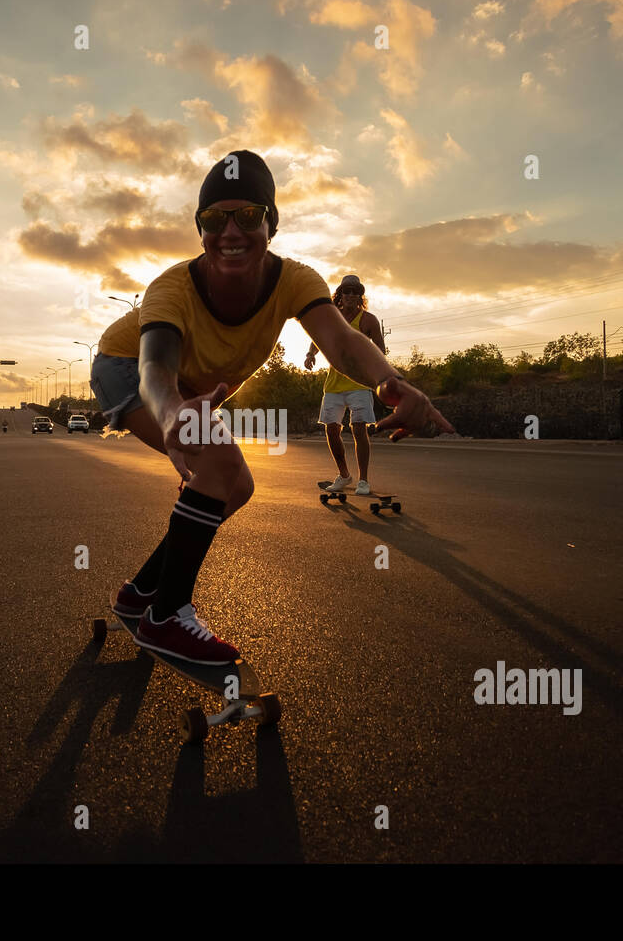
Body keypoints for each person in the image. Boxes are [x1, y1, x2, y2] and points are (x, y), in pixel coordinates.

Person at [89, 150, 454, 665]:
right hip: (125, 367)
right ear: (200, 230)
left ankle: (141, 595)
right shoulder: (170, 288)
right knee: (220, 467)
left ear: (272, 223)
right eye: (214, 219)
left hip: (190, 389)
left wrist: (391, 384)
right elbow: (155, 370)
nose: (230, 232)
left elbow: (344, 344)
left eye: (249, 216)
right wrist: (172, 413)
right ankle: (166, 615)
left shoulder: (294, 280)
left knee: (236, 487)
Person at [305, 274, 383, 495]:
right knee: (331, 429)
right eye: (346, 291)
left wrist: (379, 376)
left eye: (355, 292)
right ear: (340, 295)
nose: (350, 295)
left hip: (360, 384)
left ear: (360, 296)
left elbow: (380, 350)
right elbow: (318, 336)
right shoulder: (333, 317)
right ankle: (344, 475)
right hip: (334, 384)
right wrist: (311, 353)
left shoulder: (369, 320)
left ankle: (363, 481)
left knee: (359, 429)